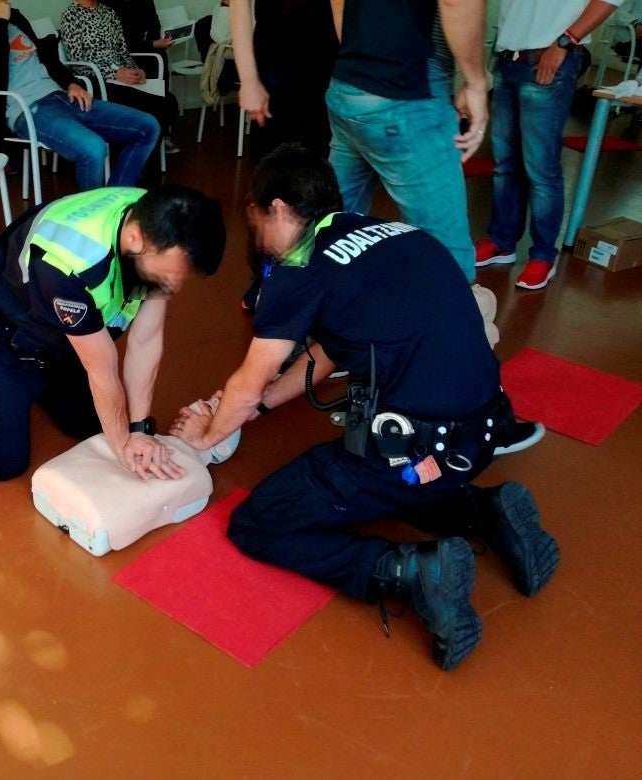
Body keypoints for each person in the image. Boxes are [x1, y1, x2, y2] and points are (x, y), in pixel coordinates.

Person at [170, 144, 559, 671]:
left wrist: (206, 435)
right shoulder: (395, 233)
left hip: (416, 444)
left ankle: (404, 571)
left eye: (257, 222)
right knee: (397, 483)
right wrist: (255, 408)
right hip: (484, 431)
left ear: (280, 209)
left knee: (258, 523)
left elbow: (249, 379)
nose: (258, 242)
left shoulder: (298, 264)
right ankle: (485, 512)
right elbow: (329, 351)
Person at [0, 185, 225, 481]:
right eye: (168, 276)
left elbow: (146, 340)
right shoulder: (70, 262)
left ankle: (31, 392)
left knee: (94, 423)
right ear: (136, 238)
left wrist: (139, 429)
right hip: (7, 336)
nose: (174, 286)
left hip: (64, 339)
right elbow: (102, 369)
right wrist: (125, 446)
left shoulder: (159, 219)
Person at [322, 0, 488, 283]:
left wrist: (359, 58)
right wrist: (476, 83)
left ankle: (292, 307)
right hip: (408, 91)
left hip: (348, 86)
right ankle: (449, 323)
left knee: (329, 226)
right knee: (446, 256)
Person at [474, 0, 623, 291]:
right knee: (505, 165)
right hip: (507, 60)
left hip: (550, 58)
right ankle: (502, 242)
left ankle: (543, 255)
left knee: (540, 167)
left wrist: (567, 41)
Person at [0, 0, 160, 192]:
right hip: (28, 109)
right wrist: (0, 22)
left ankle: (114, 201)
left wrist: (71, 83)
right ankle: (93, 220)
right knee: (93, 148)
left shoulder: (15, 16)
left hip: (60, 96)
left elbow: (47, 58)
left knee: (147, 126)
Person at [59, 0, 180, 153]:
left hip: (120, 76)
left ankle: (144, 155)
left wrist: (136, 70)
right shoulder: (71, 14)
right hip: (97, 79)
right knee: (147, 105)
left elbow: (122, 52)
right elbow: (78, 64)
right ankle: (136, 158)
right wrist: (114, 73)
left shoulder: (109, 12)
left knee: (168, 101)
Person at [230, 0, 338, 161]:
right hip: (274, 68)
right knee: (273, 162)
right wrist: (248, 80)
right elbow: (238, 4)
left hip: (327, 66)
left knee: (322, 158)